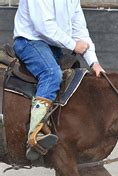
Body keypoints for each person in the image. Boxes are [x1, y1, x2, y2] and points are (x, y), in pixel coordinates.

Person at [13, 0, 104, 161]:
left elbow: (80, 30)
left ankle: (66, 141)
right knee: (51, 74)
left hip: (53, 45)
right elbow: (43, 25)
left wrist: (93, 62)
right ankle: (36, 134)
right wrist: (73, 45)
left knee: (74, 80)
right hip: (29, 41)